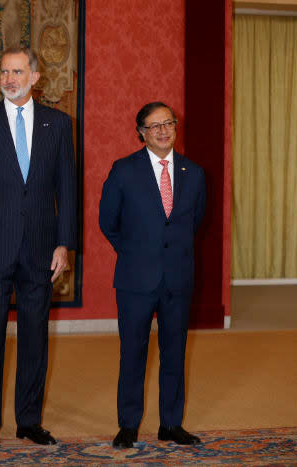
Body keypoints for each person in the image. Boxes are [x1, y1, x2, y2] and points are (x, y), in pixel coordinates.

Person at [0, 46, 77, 449]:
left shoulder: (59, 125)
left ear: (35, 77)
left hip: (42, 248)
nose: (9, 78)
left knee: (35, 338)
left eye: (17, 71)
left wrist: (65, 243)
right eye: (4, 71)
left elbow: (67, 190)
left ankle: (29, 420)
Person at [98, 102, 206, 449]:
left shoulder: (195, 172)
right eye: (154, 125)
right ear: (140, 132)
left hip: (178, 277)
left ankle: (171, 424)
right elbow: (108, 221)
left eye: (168, 123)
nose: (163, 130)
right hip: (135, 278)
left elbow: (195, 222)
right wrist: (135, 251)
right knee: (133, 352)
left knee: (175, 352)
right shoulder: (124, 170)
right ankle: (128, 424)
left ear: (176, 127)